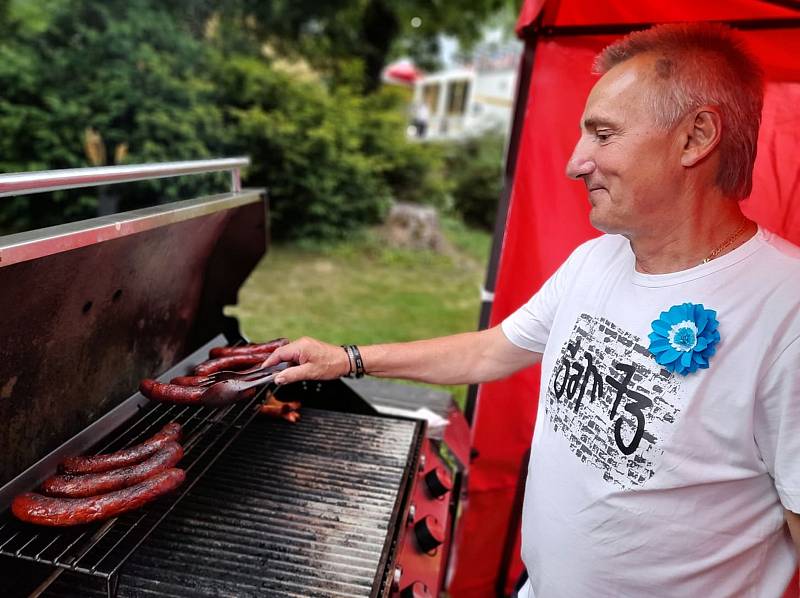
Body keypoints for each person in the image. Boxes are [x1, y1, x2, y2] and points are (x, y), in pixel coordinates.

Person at [264, 23, 800, 597]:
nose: (576, 163)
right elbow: (493, 349)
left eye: (603, 134)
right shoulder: (597, 259)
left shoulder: (786, 313)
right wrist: (345, 359)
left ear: (696, 137)